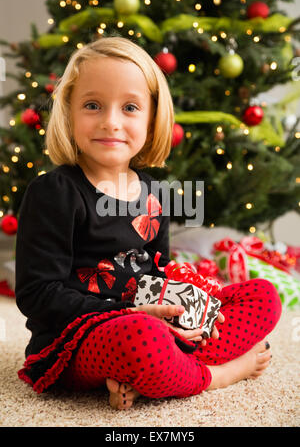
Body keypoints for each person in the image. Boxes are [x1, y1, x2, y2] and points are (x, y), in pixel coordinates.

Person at [16, 36, 282, 410]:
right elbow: (37, 293)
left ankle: (157, 372)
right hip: (80, 337)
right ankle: (214, 374)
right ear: (68, 113)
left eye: (129, 107)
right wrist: (130, 315)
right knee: (144, 337)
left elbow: (160, 271)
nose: (111, 122)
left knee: (262, 297)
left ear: (152, 118)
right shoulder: (53, 192)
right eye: (92, 105)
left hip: (158, 323)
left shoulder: (154, 191)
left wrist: (193, 307)